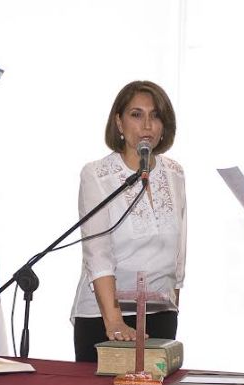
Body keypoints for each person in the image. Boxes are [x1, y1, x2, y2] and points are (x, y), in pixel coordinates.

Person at [71, 80, 186, 362]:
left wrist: (174, 307)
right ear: (119, 124)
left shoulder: (175, 172)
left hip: (160, 314)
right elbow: (97, 255)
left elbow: (178, 250)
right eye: (136, 114)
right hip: (104, 317)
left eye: (155, 115)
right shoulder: (97, 174)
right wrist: (114, 321)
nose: (147, 125)